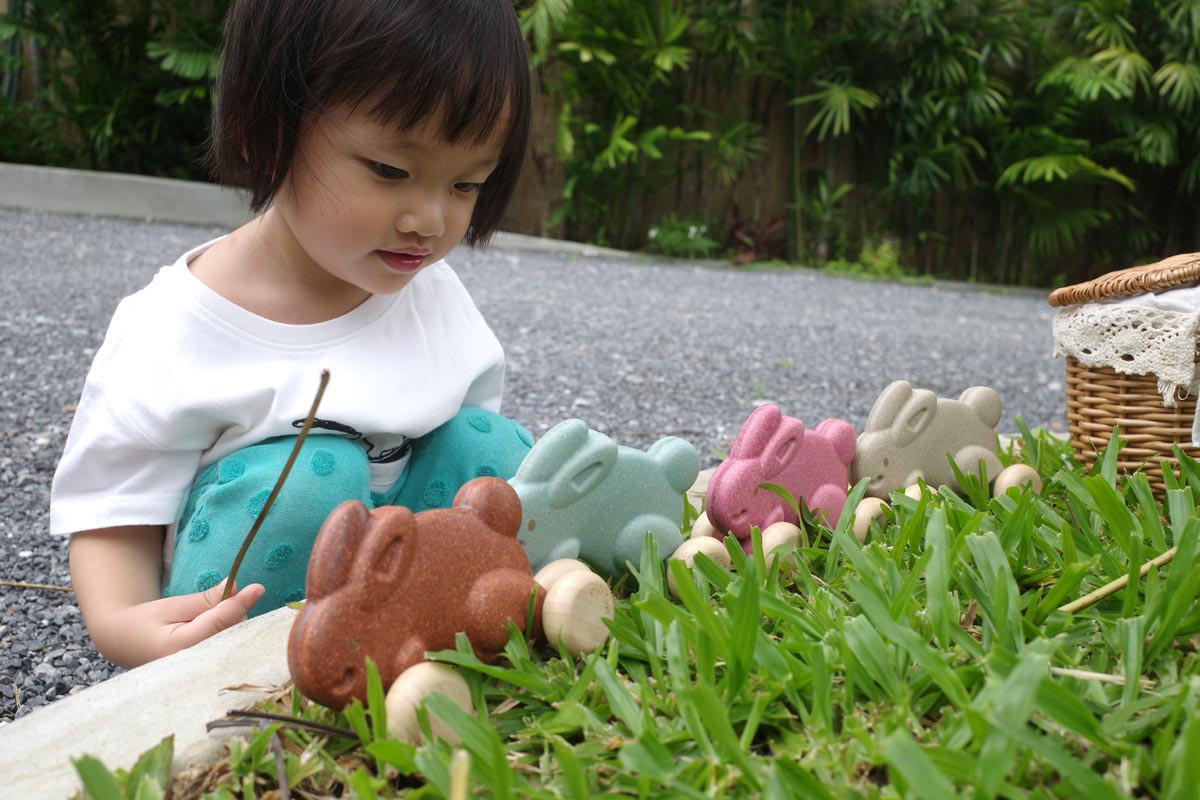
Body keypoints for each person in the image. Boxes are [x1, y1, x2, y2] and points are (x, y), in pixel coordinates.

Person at [49, 0, 535, 669]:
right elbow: (114, 514)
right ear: (267, 132)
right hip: (242, 610)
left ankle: (438, 625)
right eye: (390, 170)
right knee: (316, 477)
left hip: (401, 583)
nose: (429, 218)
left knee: (491, 445)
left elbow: (460, 464)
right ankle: (277, 661)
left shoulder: (434, 296)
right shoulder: (175, 326)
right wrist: (124, 627)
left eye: (465, 183)